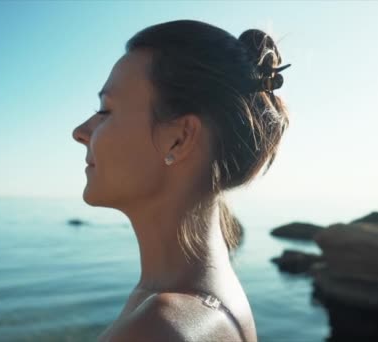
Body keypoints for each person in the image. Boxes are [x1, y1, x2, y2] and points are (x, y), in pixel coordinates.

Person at [73, 19, 290, 342]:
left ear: (179, 138)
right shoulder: (207, 300)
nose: (80, 132)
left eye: (105, 111)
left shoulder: (159, 327)